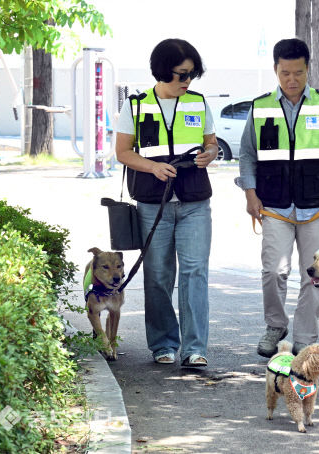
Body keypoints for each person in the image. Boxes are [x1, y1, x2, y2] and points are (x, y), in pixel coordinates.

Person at [235, 38, 319, 358]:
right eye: (285, 73)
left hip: (317, 205)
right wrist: (250, 193)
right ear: (275, 70)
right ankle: (275, 327)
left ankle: (306, 337)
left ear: (308, 69)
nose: (292, 80)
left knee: (316, 273)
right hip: (274, 205)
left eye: (298, 73)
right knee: (273, 270)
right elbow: (248, 154)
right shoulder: (260, 106)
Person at [116, 38, 218, 368]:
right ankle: (163, 343)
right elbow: (122, 152)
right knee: (158, 276)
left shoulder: (198, 103)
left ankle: (194, 348)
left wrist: (210, 155)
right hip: (151, 203)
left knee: (194, 273)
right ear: (162, 71)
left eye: (191, 75)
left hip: (194, 203)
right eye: (181, 75)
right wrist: (153, 166)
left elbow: (212, 143)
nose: (187, 82)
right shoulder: (135, 105)